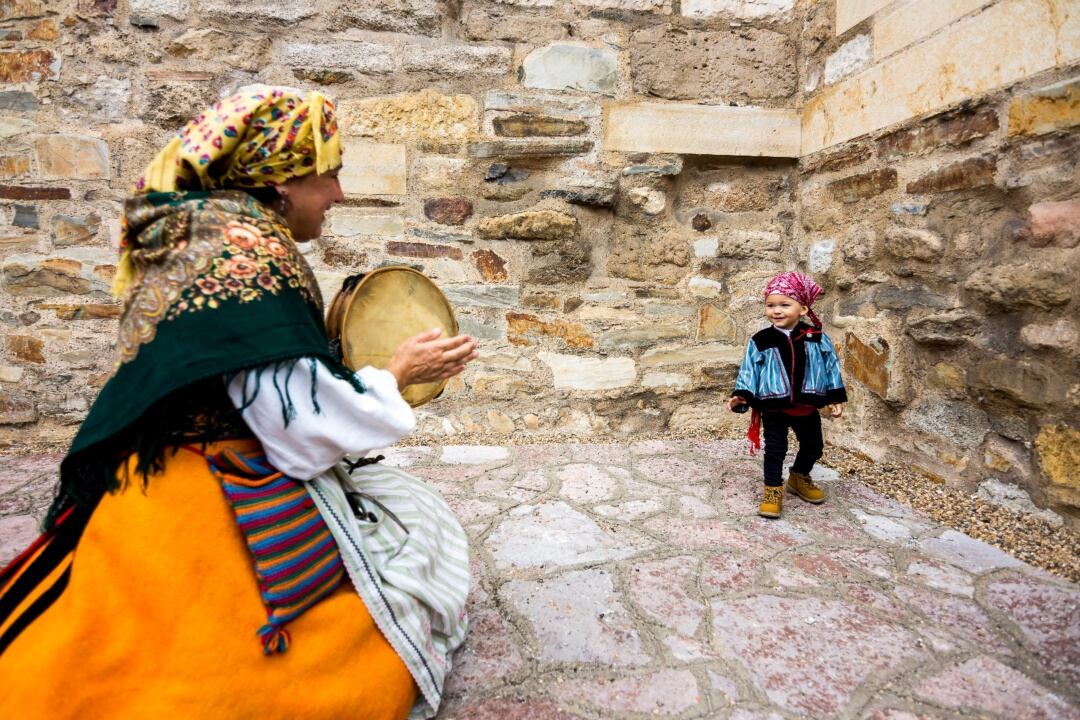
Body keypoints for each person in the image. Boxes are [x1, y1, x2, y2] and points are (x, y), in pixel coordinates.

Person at [0, 85, 477, 720]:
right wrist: (395, 374)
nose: (338, 193)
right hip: (213, 492)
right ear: (280, 180)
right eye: (328, 174)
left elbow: (246, 370)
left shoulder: (200, 227)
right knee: (417, 536)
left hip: (145, 482)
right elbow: (301, 429)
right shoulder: (252, 253)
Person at [727, 271, 847, 519]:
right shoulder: (761, 339)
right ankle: (772, 490)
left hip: (807, 406)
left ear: (803, 308)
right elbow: (749, 369)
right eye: (770, 305)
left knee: (814, 447)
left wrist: (835, 396)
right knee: (775, 450)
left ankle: (799, 476)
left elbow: (831, 366)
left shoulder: (816, 338)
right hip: (774, 407)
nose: (776, 310)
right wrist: (742, 395)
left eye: (784, 304)